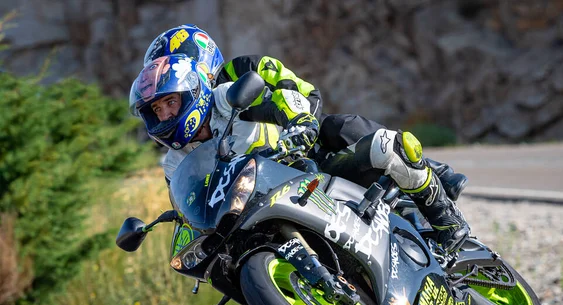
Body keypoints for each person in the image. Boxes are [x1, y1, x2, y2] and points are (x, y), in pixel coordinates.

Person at [134, 24, 469, 255]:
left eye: (172, 96)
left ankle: (435, 185)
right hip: (254, 194)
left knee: (339, 127)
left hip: (299, 149)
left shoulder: (235, 80)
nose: (165, 112)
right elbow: (186, 195)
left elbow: (294, 88)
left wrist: (301, 122)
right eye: (157, 105)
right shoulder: (175, 158)